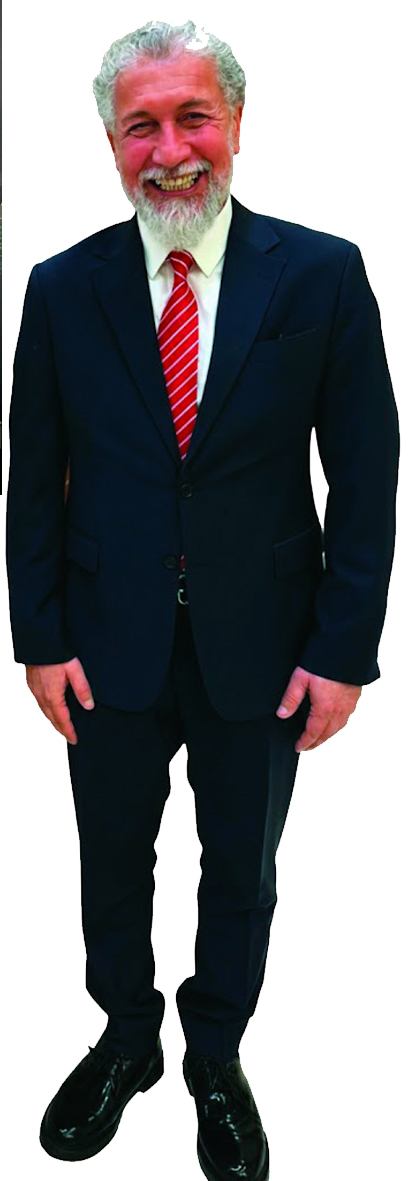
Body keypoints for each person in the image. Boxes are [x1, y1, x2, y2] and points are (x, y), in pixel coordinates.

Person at [5, 18, 399, 1180]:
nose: (170, 150)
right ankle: (127, 1035)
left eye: (193, 119)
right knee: (112, 858)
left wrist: (344, 648)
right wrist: (38, 636)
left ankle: (216, 1049)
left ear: (235, 124)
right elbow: (34, 477)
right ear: (110, 143)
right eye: (142, 126)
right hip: (104, 641)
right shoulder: (63, 288)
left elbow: (366, 472)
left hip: (265, 644)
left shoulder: (320, 275)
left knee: (242, 865)